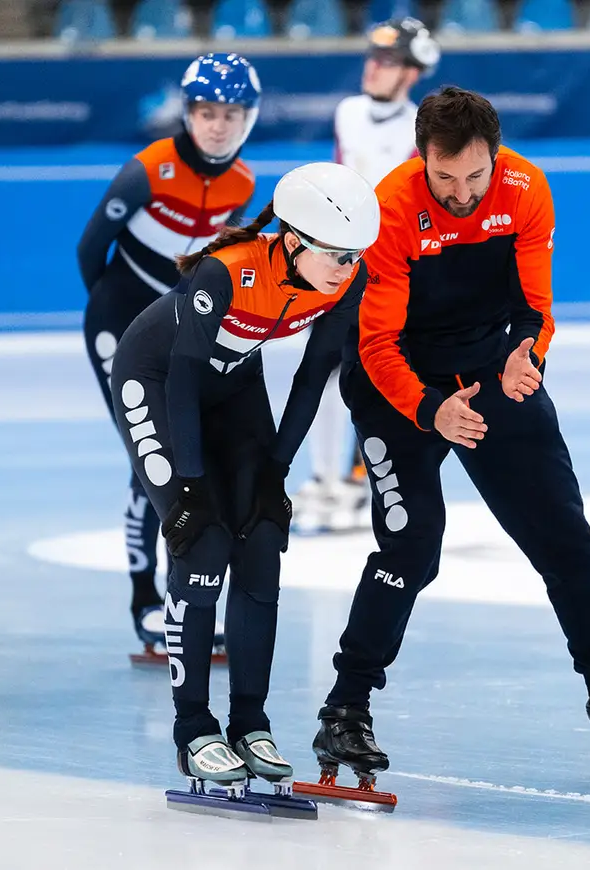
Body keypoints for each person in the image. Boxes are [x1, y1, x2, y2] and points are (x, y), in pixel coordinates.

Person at [311, 87, 590, 787]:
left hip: (488, 369)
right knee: (413, 548)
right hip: (399, 383)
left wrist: (527, 355)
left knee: (567, 541)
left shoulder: (525, 188)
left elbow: (536, 309)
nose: (461, 193)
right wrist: (429, 411)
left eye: (475, 176)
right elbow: (377, 342)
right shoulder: (390, 207)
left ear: (495, 154)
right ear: (422, 159)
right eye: (445, 178)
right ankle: (345, 708)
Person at [108, 163, 379, 783]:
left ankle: (250, 721)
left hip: (234, 386)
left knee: (260, 541)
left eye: (356, 254)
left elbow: (314, 379)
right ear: (292, 240)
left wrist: (274, 474)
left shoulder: (346, 281)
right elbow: (180, 379)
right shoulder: (226, 270)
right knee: (199, 540)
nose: (347, 267)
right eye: (336, 254)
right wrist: (194, 487)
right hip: (156, 380)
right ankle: (193, 728)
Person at [78, 53, 260, 653]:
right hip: (117, 323)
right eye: (205, 113)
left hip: (170, 333)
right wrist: (114, 316)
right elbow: (90, 250)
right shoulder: (147, 170)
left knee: (186, 452)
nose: (216, 125)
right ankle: (144, 601)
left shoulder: (243, 185)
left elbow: (213, 269)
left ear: (248, 119)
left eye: (229, 114)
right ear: (187, 113)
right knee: (147, 459)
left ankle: (182, 594)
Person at [293, 17, 441, 535]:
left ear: (412, 73)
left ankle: (363, 478)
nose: (374, 68)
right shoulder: (348, 113)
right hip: (343, 262)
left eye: (389, 62)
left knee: (380, 372)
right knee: (322, 368)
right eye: (373, 58)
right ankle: (322, 480)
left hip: (395, 267)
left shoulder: (425, 126)